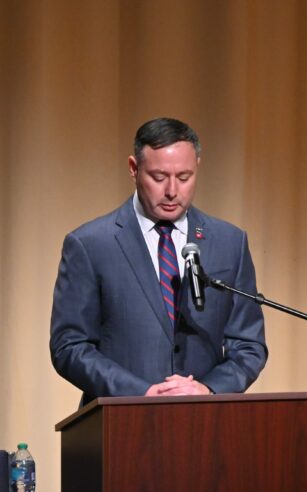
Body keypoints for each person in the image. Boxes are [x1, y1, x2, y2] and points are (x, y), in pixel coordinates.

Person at [49, 117, 267, 405]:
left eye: (185, 177)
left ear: (198, 167)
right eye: (159, 177)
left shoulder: (229, 243)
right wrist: (141, 393)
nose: (172, 191)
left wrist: (209, 389)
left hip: (207, 425)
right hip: (120, 424)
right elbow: (69, 346)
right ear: (133, 169)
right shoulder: (90, 245)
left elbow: (249, 346)